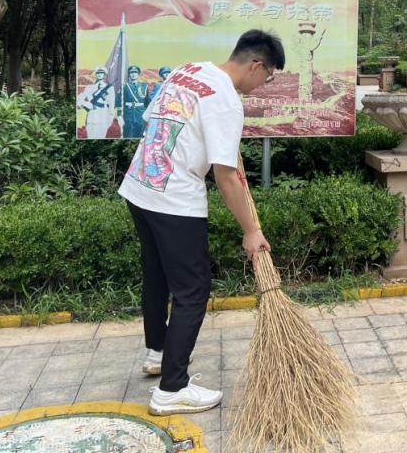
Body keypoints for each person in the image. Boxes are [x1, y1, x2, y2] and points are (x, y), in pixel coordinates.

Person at [119, 29, 285, 415]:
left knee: (157, 277)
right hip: (174, 201)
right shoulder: (225, 99)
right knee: (193, 291)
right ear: (256, 65)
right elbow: (225, 177)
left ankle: (158, 353)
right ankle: (172, 389)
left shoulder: (188, 71)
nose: (262, 85)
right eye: (268, 77)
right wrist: (252, 230)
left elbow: (155, 120)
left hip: (140, 188)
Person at [77, 66, 115, 138]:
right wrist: (86, 104)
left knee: (101, 137)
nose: (99, 74)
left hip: (103, 116)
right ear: (96, 74)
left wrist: (110, 117)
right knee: (90, 137)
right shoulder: (89, 88)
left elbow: (111, 103)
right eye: (98, 73)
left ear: (105, 75)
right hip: (92, 116)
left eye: (102, 73)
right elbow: (78, 100)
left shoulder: (110, 88)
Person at [122, 65, 149, 138]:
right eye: (131, 73)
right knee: (128, 135)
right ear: (129, 74)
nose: (133, 74)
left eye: (135, 72)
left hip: (140, 114)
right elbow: (120, 101)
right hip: (128, 114)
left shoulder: (144, 86)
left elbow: (147, 101)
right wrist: (119, 115)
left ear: (138, 74)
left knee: (140, 135)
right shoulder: (125, 86)